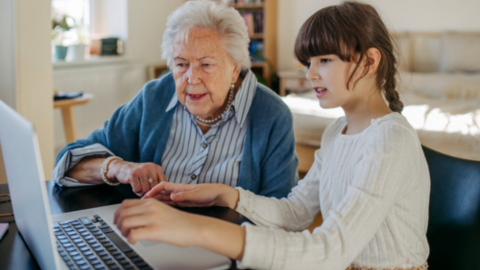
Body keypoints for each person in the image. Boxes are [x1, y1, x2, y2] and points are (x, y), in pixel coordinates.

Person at [113, 1, 431, 270]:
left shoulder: (390, 140)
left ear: (370, 61)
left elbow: (331, 250)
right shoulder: (338, 132)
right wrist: (226, 194)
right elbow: (295, 214)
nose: (311, 74)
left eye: (325, 60)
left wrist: (194, 228)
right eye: (309, 62)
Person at [52, 0, 298, 199]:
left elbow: (282, 213)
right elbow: (70, 160)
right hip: (150, 241)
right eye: (181, 64)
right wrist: (118, 167)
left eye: (206, 64)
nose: (192, 78)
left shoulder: (271, 116)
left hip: (228, 250)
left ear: (235, 68)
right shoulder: (155, 97)